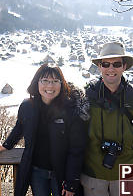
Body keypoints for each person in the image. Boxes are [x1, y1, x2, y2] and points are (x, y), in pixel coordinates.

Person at [0, 63, 87, 196]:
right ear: (37, 82)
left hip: (62, 173)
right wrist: (6, 145)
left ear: (61, 84)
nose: (50, 86)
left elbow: (76, 149)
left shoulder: (70, 110)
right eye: (45, 80)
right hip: (37, 172)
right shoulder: (27, 107)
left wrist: (71, 182)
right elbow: (20, 126)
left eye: (55, 81)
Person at [81, 42, 133, 196]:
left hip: (127, 171)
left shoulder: (132, 96)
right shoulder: (87, 96)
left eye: (116, 64)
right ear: (99, 67)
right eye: (106, 64)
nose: (111, 69)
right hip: (94, 171)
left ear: (124, 67)